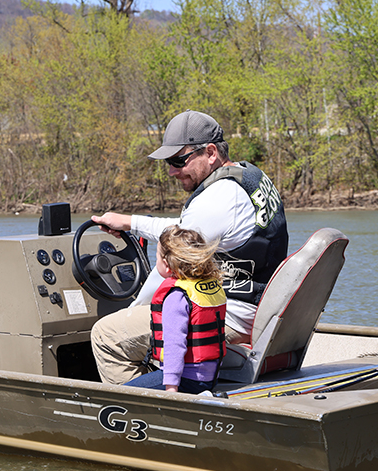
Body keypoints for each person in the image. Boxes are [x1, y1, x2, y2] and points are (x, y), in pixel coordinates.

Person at [91, 110, 289, 385]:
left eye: (178, 160)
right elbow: (187, 230)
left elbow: (169, 268)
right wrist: (131, 223)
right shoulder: (247, 178)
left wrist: (132, 311)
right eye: (168, 163)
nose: (172, 171)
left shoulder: (216, 198)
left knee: (107, 335)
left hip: (229, 316)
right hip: (253, 306)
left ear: (209, 152)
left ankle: (141, 418)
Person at [125, 226, 226, 393]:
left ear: (166, 264)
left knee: (122, 394)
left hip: (186, 380)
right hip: (209, 378)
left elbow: (174, 345)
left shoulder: (176, 297)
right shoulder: (211, 288)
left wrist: (171, 387)